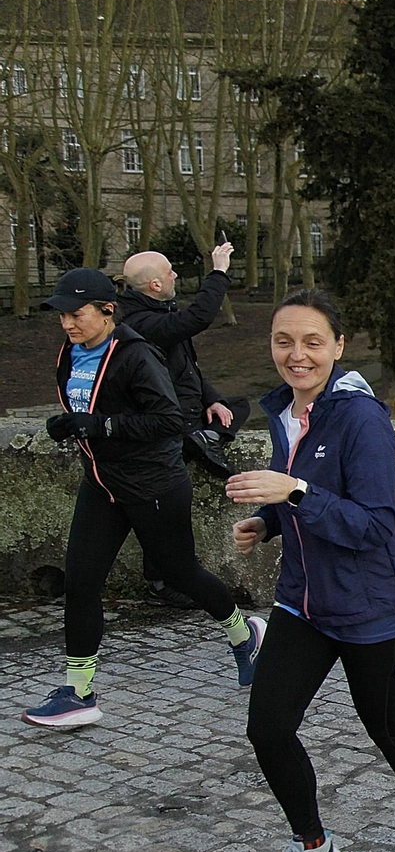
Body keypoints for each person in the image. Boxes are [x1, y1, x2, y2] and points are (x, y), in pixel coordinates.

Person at [227, 289, 395, 852]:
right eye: (283, 341)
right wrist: (268, 521)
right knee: (268, 727)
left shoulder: (360, 418)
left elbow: (375, 523)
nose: (296, 355)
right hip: (302, 601)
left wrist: (292, 493)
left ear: (337, 346)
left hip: (372, 606)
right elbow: (302, 493)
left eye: (312, 342)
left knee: (386, 727)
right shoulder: (284, 412)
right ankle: (312, 845)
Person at [26, 269, 265, 729]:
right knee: (81, 583)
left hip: (154, 486)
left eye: (76, 314)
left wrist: (100, 425)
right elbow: (89, 405)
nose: (67, 324)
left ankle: (244, 632)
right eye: (62, 316)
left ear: (107, 311)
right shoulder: (71, 352)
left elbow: (168, 420)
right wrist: (69, 423)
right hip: (102, 485)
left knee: (181, 573)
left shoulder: (136, 354)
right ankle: (79, 692)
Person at [118, 241, 254, 607]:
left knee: (237, 406)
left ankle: (204, 438)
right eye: (169, 272)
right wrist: (219, 272)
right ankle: (162, 584)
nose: (175, 275)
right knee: (164, 514)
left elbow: (188, 367)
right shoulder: (141, 323)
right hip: (166, 427)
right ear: (155, 285)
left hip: (190, 413)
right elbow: (199, 318)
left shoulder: (159, 310)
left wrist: (212, 399)